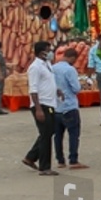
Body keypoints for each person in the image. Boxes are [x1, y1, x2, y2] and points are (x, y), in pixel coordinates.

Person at [22, 40, 59, 176]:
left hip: (50, 102)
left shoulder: (47, 64)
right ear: (42, 52)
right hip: (41, 104)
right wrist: (38, 109)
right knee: (46, 135)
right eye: (48, 50)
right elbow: (34, 89)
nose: (51, 53)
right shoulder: (35, 67)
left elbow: (48, 82)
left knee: (49, 132)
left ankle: (31, 157)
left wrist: (57, 90)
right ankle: (45, 167)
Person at [52, 45, 88, 170]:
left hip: (56, 107)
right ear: (72, 58)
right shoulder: (70, 70)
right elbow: (76, 88)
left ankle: (60, 160)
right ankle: (73, 159)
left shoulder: (53, 68)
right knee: (73, 134)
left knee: (58, 136)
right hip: (69, 106)